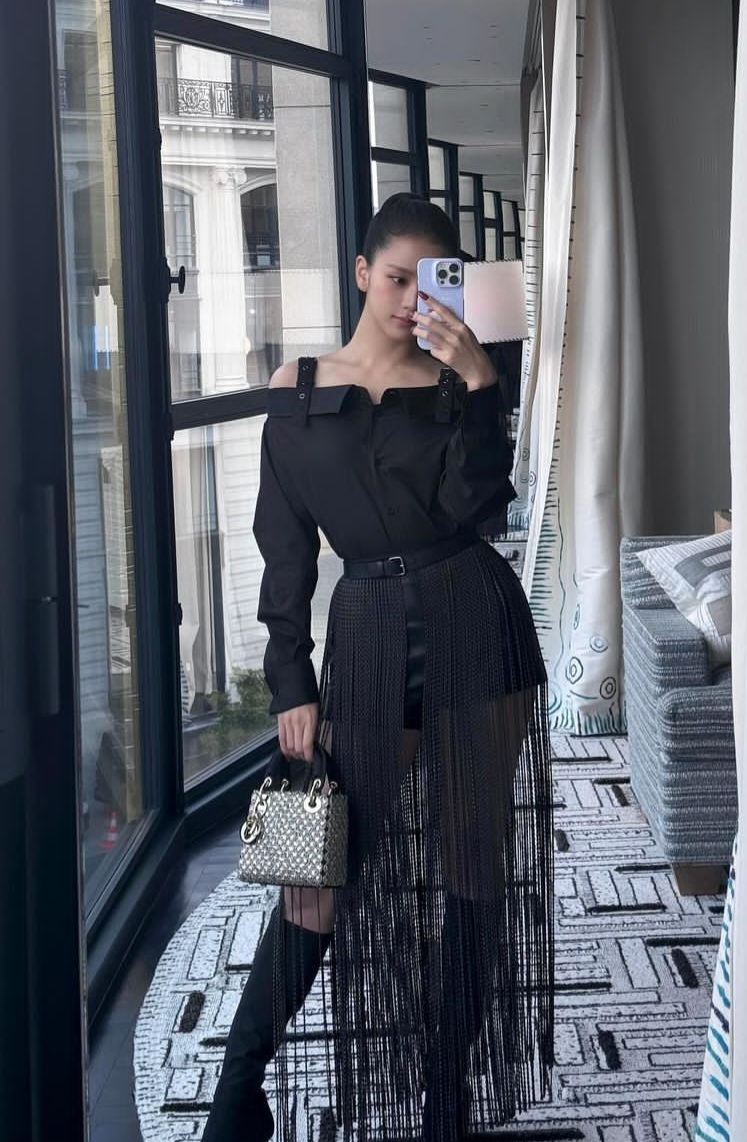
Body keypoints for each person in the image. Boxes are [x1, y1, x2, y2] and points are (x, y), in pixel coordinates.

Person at [202, 194, 554, 1142]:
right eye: (397, 279)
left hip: (476, 622)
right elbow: (284, 549)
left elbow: (479, 509)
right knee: (317, 873)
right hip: (364, 636)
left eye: (431, 284)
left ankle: (446, 1091)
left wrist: (480, 385)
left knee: (471, 857)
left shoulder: (454, 382)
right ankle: (237, 1095)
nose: (410, 301)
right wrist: (291, 681)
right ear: (362, 273)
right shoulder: (298, 387)